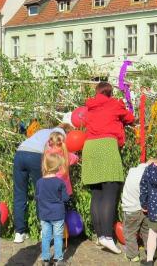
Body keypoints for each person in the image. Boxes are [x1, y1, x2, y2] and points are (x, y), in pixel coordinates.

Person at [81, 82, 134, 254]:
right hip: (106, 146)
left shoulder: (89, 106)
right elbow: (130, 118)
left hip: (89, 147)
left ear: (96, 92)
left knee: (97, 193)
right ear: (110, 92)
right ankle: (107, 237)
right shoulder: (114, 104)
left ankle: (99, 236)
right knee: (110, 192)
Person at [13, 124, 72, 243]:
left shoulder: (44, 130)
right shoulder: (60, 136)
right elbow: (61, 154)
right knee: (42, 194)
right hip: (37, 155)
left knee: (19, 194)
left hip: (20, 153)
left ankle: (19, 233)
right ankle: (44, 231)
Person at [36, 152, 69, 266]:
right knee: (58, 237)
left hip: (44, 214)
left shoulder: (39, 182)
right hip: (58, 214)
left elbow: (38, 197)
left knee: (45, 237)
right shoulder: (60, 182)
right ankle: (58, 259)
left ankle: (45, 259)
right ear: (58, 167)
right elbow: (65, 198)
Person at [122, 161, 150, 262]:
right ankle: (152, 251)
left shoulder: (132, 171)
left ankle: (132, 255)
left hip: (131, 209)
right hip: (145, 208)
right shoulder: (149, 175)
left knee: (129, 232)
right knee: (147, 231)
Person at [45, 131, 78, 196]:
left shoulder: (47, 153)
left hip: (50, 185)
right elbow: (76, 158)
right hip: (64, 188)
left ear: (50, 142)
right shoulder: (66, 154)